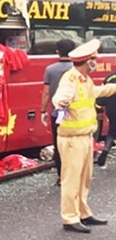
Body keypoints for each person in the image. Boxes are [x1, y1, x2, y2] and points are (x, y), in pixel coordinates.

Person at [52, 38, 116, 233]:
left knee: (84, 179)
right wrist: (60, 102)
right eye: (95, 59)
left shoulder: (84, 80)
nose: (96, 62)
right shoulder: (70, 79)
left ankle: (83, 213)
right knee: (71, 179)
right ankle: (70, 218)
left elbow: (96, 92)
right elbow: (61, 96)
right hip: (72, 139)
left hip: (85, 138)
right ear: (88, 61)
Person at [40, 39, 76, 185]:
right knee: (75, 145)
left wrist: (43, 110)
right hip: (76, 114)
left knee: (59, 144)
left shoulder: (50, 69)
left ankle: (62, 177)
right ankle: (74, 176)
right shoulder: (78, 69)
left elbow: (46, 93)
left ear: (57, 52)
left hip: (59, 114)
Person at [96, 69, 116, 167]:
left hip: (112, 108)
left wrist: (99, 109)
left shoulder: (110, 76)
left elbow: (101, 93)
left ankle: (105, 151)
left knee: (112, 131)